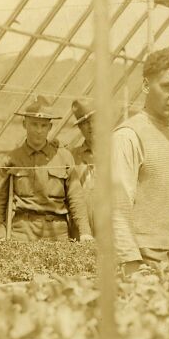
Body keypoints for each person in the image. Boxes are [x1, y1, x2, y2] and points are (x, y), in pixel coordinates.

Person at [111, 48, 169, 271]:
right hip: (147, 258)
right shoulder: (128, 135)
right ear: (145, 85)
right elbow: (116, 206)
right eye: (167, 86)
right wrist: (132, 263)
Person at [0, 97, 93, 242]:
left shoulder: (64, 158)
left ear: (50, 127)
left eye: (43, 126)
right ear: (25, 124)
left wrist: (85, 232)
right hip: (22, 233)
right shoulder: (11, 159)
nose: (38, 130)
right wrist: (0, 235)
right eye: (34, 124)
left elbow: (76, 197)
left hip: (58, 233)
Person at [70, 99, 96, 238]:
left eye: (95, 120)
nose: (91, 126)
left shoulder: (118, 150)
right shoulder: (72, 156)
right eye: (85, 123)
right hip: (84, 232)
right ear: (80, 128)